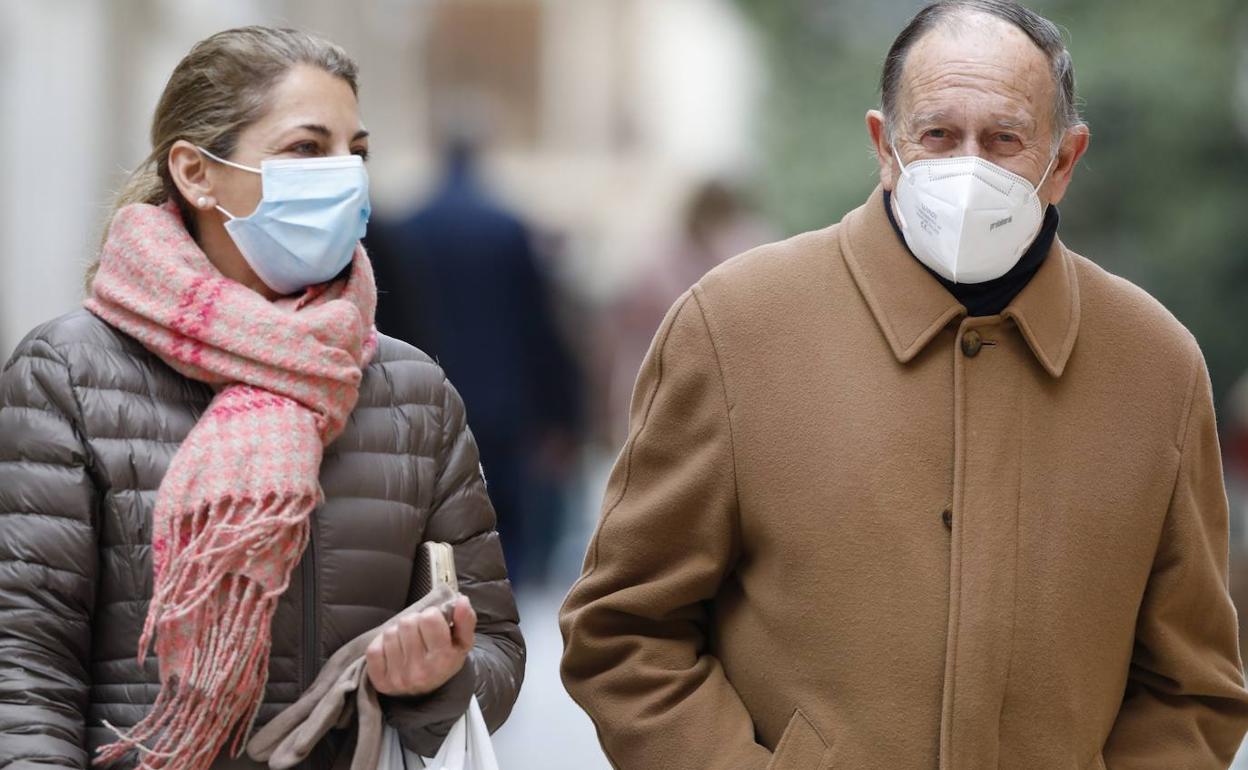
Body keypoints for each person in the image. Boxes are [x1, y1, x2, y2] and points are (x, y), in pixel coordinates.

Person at [559, 1, 1248, 768]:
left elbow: (1194, 686)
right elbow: (625, 632)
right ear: (885, 146)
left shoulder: (1155, 368)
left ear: (1063, 161)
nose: (968, 167)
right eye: (938, 135)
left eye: (1005, 140)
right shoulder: (734, 327)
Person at [0, 27, 523, 770]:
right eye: (307, 149)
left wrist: (435, 678)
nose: (344, 174)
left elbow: (496, 652)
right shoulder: (69, 376)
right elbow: (24, 665)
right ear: (195, 173)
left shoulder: (412, 395)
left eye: (357, 151)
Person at [368, 135, 582, 586]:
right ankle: (504, 631)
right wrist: (560, 414)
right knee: (504, 539)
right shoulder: (507, 227)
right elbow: (537, 326)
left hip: (428, 397)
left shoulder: (411, 226)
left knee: (439, 537)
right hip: (504, 405)